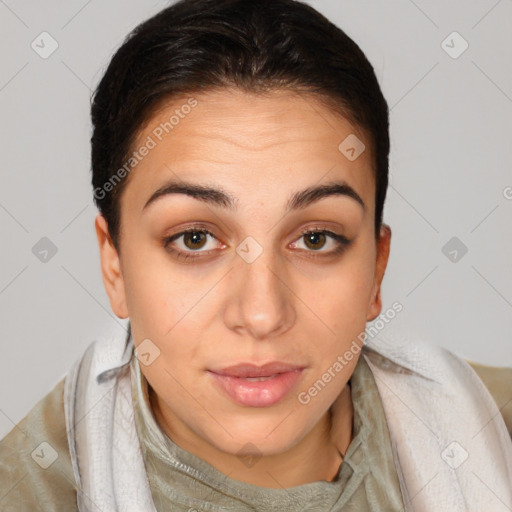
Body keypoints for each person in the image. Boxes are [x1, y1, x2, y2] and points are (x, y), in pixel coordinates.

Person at [1, 0, 511, 510]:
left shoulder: (497, 432)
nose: (263, 314)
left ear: (376, 269)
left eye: (316, 239)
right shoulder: (25, 491)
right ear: (114, 265)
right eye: (195, 238)